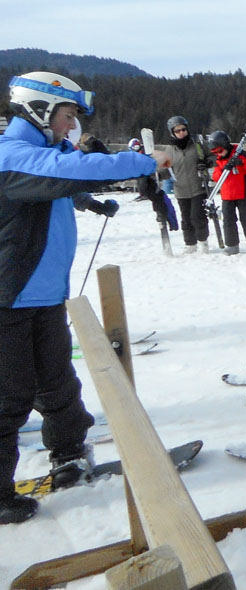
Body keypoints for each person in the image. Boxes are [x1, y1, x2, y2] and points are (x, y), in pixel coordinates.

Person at [0, 72, 169, 525]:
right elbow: (66, 172)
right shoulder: (10, 155)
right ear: (39, 109)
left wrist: (92, 203)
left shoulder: (40, 155)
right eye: (68, 114)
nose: (72, 125)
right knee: (9, 398)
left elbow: (61, 184)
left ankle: (69, 453)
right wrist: (141, 161)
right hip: (7, 301)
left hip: (43, 295)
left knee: (57, 384)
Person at [208, 130, 246, 255]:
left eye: (219, 150)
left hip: (242, 194)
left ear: (225, 145)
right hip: (227, 196)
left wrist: (242, 163)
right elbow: (216, 177)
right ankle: (232, 245)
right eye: (215, 152)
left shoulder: (241, 154)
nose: (218, 154)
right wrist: (223, 168)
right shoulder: (219, 160)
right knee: (228, 220)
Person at [165, 115, 212, 253]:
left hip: (198, 186)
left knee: (197, 216)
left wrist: (207, 162)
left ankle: (203, 241)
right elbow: (164, 168)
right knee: (186, 218)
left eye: (183, 129)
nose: (181, 133)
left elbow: (212, 155)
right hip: (180, 189)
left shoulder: (197, 144)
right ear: (172, 133)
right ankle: (190, 244)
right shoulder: (170, 150)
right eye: (177, 131)